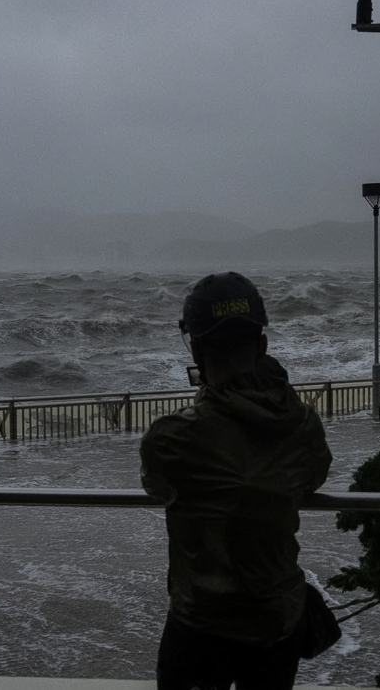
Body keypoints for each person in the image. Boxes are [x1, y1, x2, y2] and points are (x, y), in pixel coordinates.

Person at [140, 271, 333, 690]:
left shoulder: (171, 437)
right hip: (277, 621)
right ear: (262, 346)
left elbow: (156, 485)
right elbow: (312, 476)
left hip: (199, 623)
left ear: (196, 349)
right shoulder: (302, 426)